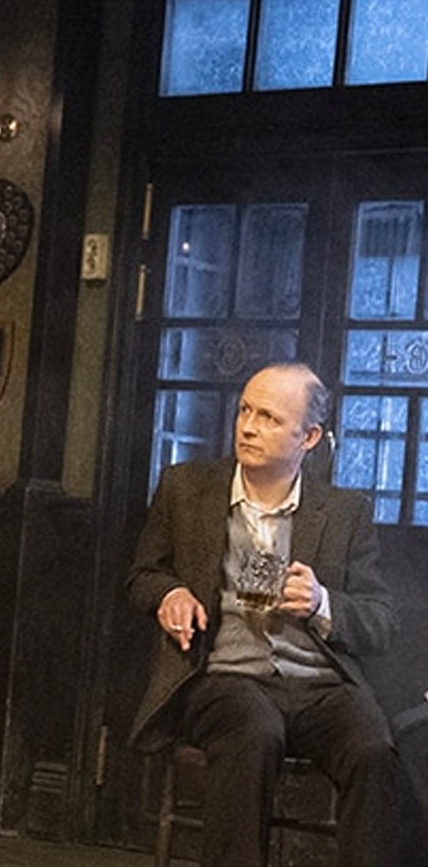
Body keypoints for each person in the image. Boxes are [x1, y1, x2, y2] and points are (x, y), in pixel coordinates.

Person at [127, 361, 419, 866]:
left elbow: (380, 619)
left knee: (374, 753)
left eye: (267, 417)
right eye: (245, 410)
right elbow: (143, 575)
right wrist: (169, 593)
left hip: (320, 687)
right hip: (225, 679)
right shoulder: (186, 488)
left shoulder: (345, 512)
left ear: (308, 437)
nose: (247, 426)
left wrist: (323, 602)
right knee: (253, 731)